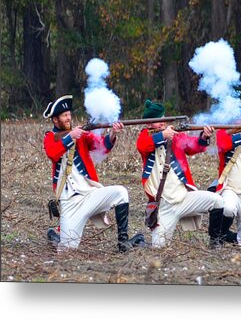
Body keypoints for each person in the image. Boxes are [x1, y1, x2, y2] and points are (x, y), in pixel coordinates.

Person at [43, 94, 144, 252]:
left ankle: (123, 243)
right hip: (69, 201)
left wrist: (112, 134)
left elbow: (102, 146)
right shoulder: (51, 137)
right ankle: (55, 237)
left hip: (89, 194)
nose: (68, 118)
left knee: (121, 192)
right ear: (55, 120)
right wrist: (70, 137)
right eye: (64, 115)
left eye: (69, 114)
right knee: (67, 250)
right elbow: (52, 152)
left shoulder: (81, 135)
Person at [136, 100, 224, 248]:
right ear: (148, 124)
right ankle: (139, 241)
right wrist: (163, 135)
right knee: (159, 247)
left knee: (218, 201)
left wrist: (204, 137)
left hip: (184, 197)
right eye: (155, 122)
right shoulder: (145, 136)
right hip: (163, 204)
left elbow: (193, 146)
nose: (159, 123)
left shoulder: (176, 137)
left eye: (161, 120)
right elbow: (143, 146)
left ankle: (215, 243)